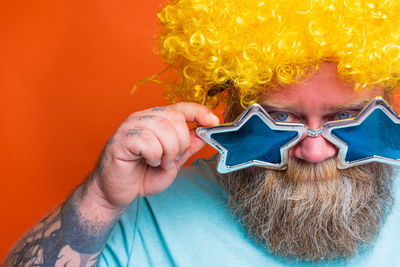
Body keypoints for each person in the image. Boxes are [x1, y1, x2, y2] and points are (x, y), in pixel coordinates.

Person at [4, 0, 400, 266]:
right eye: (281, 118)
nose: (314, 152)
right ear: (232, 106)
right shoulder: (149, 213)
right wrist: (102, 201)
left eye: (347, 116)